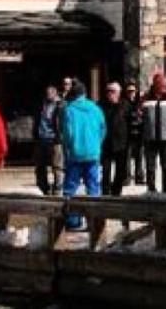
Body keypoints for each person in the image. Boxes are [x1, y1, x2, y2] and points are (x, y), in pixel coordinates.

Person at [59, 82, 106, 227]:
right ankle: (95, 221)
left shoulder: (69, 110)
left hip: (75, 153)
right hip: (93, 153)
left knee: (70, 188)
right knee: (93, 187)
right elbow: (103, 129)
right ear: (85, 94)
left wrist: (67, 148)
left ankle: (73, 221)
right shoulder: (96, 109)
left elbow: (67, 133)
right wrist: (97, 144)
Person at [141, 72, 166, 193]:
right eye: (161, 84)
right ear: (155, 84)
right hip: (150, 136)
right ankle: (151, 188)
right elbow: (139, 114)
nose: (164, 86)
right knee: (150, 165)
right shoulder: (146, 97)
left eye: (165, 84)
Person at [100, 82, 130, 196]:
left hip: (121, 142)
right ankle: (105, 190)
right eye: (108, 91)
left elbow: (131, 121)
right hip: (106, 141)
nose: (110, 94)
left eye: (112, 91)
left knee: (120, 169)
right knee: (106, 169)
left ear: (118, 93)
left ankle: (117, 191)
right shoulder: (101, 105)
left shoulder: (125, 105)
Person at [35, 84, 64, 196]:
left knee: (57, 166)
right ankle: (44, 189)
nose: (49, 95)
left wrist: (60, 136)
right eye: (47, 93)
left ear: (55, 93)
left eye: (51, 93)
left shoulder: (61, 106)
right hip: (42, 138)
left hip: (55, 140)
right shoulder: (42, 105)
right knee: (40, 167)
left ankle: (57, 189)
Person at [124, 82, 146, 187]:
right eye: (129, 91)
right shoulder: (124, 103)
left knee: (139, 156)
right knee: (126, 157)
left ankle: (139, 177)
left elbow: (143, 115)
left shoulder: (139, 103)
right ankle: (126, 177)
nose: (131, 93)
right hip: (128, 133)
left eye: (132, 91)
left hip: (139, 132)